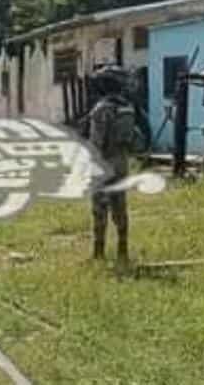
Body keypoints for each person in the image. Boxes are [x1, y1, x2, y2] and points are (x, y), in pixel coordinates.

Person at [87, 65, 136, 266]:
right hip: (122, 162)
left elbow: (96, 142)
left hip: (104, 163)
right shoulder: (127, 107)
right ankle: (122, 250)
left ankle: (98, 253)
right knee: (120, 207)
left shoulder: (101, 109)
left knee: (100, 208)